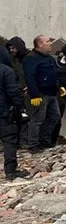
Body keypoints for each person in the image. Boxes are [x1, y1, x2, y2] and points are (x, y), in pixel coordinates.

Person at [21, 36, 61, 152]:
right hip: (40, 94)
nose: (50, 44)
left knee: (54, 116)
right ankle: (33, 145)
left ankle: (45, 140)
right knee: (37, 120)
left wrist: (59, 87)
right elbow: (30, 77)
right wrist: (34, 95)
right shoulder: (31, 58)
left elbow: (54, 74)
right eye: (47, 42)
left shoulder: (49, 58)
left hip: (51, 93)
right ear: (39, 44)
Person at [0, 51, 27, 180]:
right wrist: (20, 108)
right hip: (4, 112)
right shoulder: (7, 71)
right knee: (9, 140)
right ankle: (10, 171)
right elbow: (14, 93)